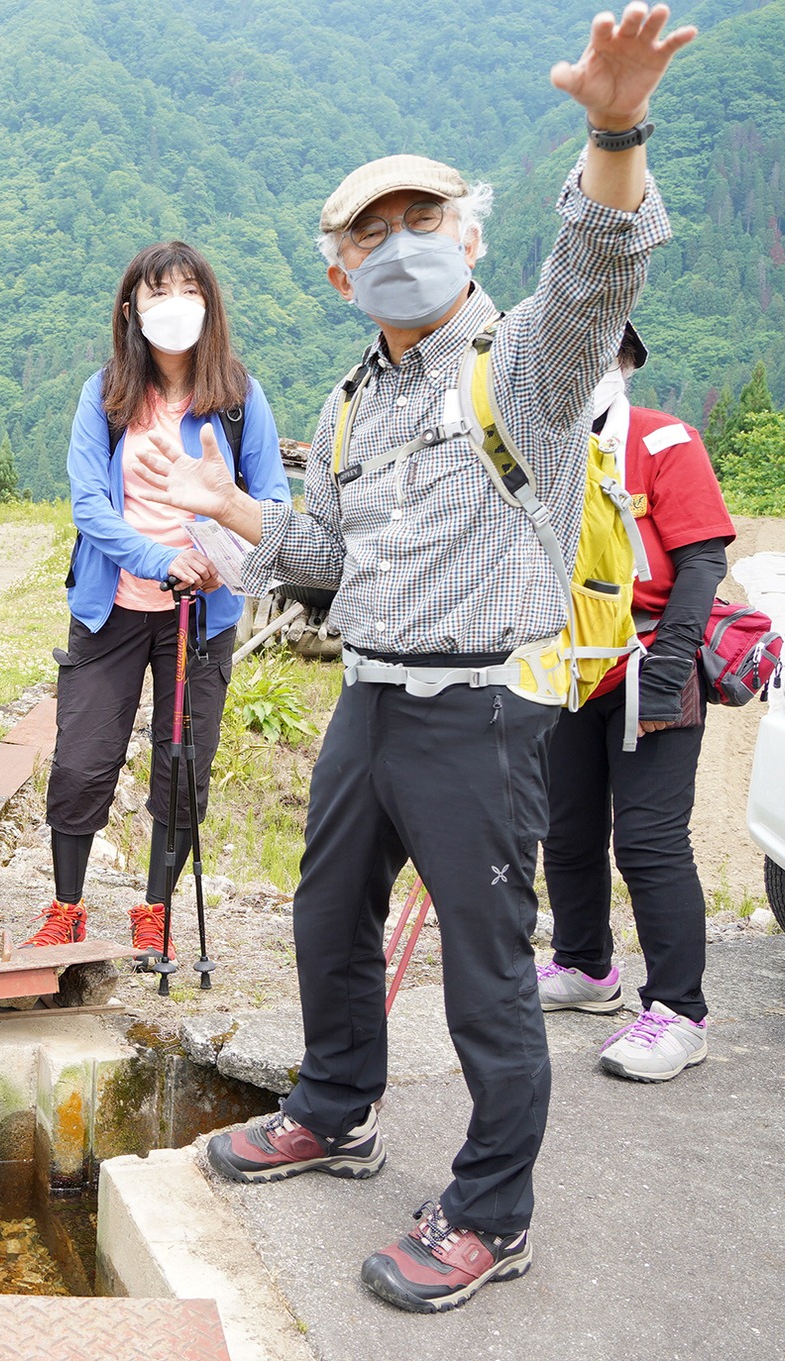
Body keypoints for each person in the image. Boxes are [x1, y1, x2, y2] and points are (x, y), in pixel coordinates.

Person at [144, 4, 695, 1314]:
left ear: (470, 237)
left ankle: (491, 1212)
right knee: (325, 922)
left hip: (479, 712)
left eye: (422, 222)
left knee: (489, 977)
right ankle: (335, 1109)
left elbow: (600, 269)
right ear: (340, 273)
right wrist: (231, 512)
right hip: (370, 700)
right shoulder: (348, 400)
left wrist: (614, 128)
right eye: (370, 235)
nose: (399, 249)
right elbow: (325, 551)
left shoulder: (528, 366)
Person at [23, 242, 287, 961]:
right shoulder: (104, 393)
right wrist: (159, 557)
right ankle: (68, 906)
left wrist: (211, 563)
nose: (173, 303)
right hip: (113, 606)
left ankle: (155, 908)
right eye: (157, 290)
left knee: (181, 767)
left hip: (200, 616)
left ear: (209, 302)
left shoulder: (237, 398)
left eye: (187, 289)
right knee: (81, 760)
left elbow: (272, 503)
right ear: (131, 308)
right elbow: (88, 504)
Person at [539, 321, 733, 1080]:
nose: (587, 365)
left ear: (625, 363)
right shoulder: (543, 450)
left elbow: (703, 561)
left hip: (653, 656)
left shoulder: (665, 441)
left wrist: (668, 668)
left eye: (602, 351)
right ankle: (586, 967)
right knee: (568, 828)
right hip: (568, 664)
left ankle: (680, 1011)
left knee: (650, 840)